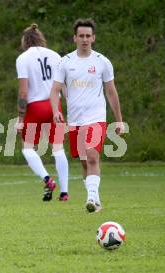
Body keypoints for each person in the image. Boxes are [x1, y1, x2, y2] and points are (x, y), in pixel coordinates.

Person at [50, 18, 124, 212]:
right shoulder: (65, 62)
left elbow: (111, 92)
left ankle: (90, 198)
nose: (84, 39)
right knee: (84, 162)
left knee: (92, 157)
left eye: (88, 36)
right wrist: (56, 110)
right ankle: (96, 200)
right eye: (81, 36)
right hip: (75, 120)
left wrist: (119, 120)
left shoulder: (102, 62)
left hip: (96, 118)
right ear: (75, 38)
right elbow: (55, 89)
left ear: (93, 38)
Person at [15, 23, 69, 202]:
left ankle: (47, 179)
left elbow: (23, 92)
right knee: (58, 149)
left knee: (28, 149)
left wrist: (20, 118)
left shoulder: (23, 58)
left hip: (35, 107)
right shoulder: (55, 55)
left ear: (25, 41)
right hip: (55, 105)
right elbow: (63, 86)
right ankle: (64, 193)